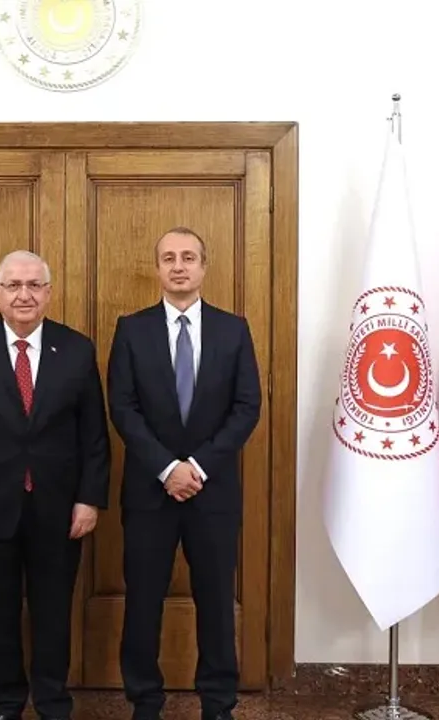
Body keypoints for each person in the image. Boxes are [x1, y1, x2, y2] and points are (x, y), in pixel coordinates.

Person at [0, 250, 110, 720]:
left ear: (49, 293)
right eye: (13, 285)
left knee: (54, 612)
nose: (24, 295)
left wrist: (89, 499)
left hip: (59, 508)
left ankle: (52, 701)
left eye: (34, 285)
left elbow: (94, 434)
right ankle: (6, 702)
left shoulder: (77, 349)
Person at [107, 227, 262, 720]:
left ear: (203, 267)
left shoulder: (233, 330)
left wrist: (195, 467)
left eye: (189, 257)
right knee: (143, 602)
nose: (179, 266)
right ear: (157, 268)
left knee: (215, 602)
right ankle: (144, 701)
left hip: (212, 493)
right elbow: (122, 407)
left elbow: (247, 406)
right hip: (149, 493)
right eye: (169, 257)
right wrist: (166, 467)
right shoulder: (131, 330)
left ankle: (217, 702)